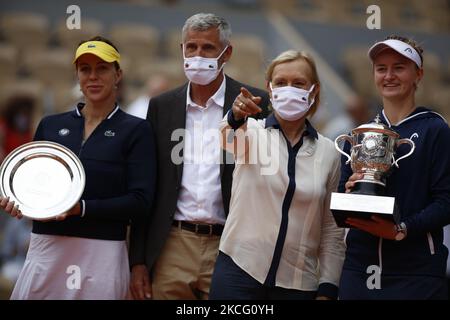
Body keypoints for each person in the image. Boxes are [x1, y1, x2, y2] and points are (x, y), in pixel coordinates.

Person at [0, 36, 156, 299]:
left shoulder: (137, 130)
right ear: (77, 75)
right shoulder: (49, 125)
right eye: (85, 69)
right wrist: (17, 202)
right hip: (47, 248)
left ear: (118, 75)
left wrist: (81, 208)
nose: (93, 76)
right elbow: (30, 184)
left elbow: (140, 202)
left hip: (103, 253)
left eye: (102, 68)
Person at [128, 13, 270, 300]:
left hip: (231, 245)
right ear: (181, 49)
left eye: (207, 48)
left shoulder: (255, 103)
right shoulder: (161, 106)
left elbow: (266, 180)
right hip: (172, 245)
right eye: (190, 47)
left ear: (226, 52)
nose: (197, 55)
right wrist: (138, 261)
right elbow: (149, 186)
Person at [208, 50, 345, 300]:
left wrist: (328, 286)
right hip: (238, 271)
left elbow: (331, 229)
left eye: (299, 83)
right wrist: (235, 116)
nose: (289, 89)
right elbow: (225, 138)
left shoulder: (329, 153)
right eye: (281, 82)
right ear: (269, 89)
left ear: (313, 91)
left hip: (298, 284)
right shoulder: (251, 133)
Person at [338, 35, 450, 299]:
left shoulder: (435, 129)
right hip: (359, 269)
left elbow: (446, 201)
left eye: (399, 67)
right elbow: (341, 197)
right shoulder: (362, 133)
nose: (389, 76)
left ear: (418, 74)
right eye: (381, 69)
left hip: (416, 273)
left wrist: (401, 230)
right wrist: (352, 188)